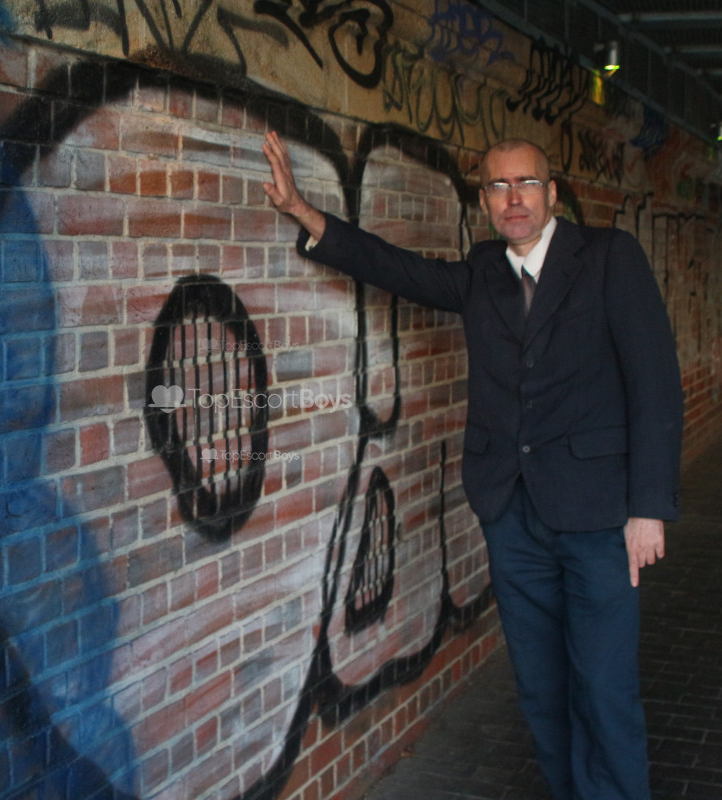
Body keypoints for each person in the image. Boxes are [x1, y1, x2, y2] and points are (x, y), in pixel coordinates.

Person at [262, 131, 683, 800]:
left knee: (603, 688)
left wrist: (649, 508)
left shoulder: (609, 258)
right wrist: (304, 213)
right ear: (484, 200)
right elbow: (399, 270)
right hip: (512, 515)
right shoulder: (485, 269)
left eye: (526, 183)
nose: (513, 198)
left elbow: (654, 381)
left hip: (600, 516)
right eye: (498, 186)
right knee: (541, 688)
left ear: (551, 193)